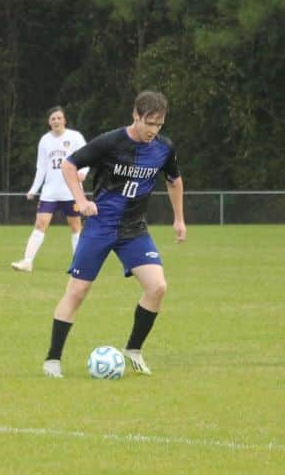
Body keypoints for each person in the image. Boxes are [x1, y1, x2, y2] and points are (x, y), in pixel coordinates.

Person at [42, 90, 187, 378]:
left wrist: (179, 219)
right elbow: (69, 165)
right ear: (136, 115)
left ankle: (133, 349)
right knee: (77, 291)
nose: (153, 130)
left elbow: (174, 180)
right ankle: (53, 359)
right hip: (100, 226)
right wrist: (81, 201)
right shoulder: (110, 142)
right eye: (149, 123)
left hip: (134, 229)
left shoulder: (163, 148)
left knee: (157, 287)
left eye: (159, 124)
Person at [11, 106, 89, 272]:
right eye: (53, 119)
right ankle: (27, 262)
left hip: (71, 191)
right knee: (40, 224)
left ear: (64, 120)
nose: (56, 121)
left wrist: (83, 172)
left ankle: (79, 265)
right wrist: (34, 189)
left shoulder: (75, 137)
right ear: (49, 122)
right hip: (50, 192)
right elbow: (41, 167)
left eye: (59, 118)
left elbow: (88, 156)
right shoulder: (45, 140)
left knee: (76, 227)